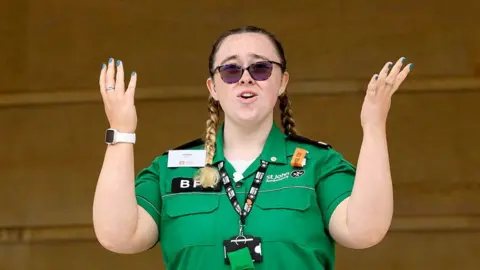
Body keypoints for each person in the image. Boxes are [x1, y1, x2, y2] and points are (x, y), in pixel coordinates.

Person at [93, 26, 413, 270]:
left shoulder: (318, 163)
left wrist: (373, 126)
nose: (246, 78)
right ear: (213, 87)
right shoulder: (171, 168)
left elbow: (365, 231)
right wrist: (121, 132)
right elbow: (119, 236)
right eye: (231, 70)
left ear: (282, 82)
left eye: (260, 68)